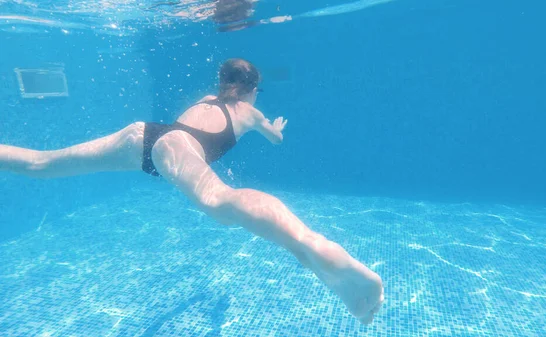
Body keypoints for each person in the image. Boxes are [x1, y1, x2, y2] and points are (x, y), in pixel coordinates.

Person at [0, 58, 384, 324]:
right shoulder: (249, 112)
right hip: (174, 149)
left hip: (143, 135)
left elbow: (185, 132)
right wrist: (276, 126)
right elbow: (275, 138)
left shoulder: (207, 98)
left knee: (42, 164)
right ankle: (308, 243)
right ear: (252, 89)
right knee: (218, 201)